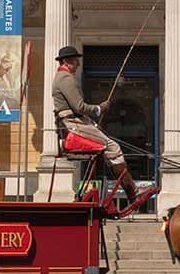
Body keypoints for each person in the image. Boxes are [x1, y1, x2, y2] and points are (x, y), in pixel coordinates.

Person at [51, 46, 156, 204]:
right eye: (75, 60)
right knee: (112, 147)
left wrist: (92, 123)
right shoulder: (65, 79)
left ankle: (132, 191)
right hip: (73, 124)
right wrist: (100, 108)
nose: (78, 64)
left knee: (109, 147)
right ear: (66, 61)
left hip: (76, 122)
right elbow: (79, 107)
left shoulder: (61, 78)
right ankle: (133, 192)